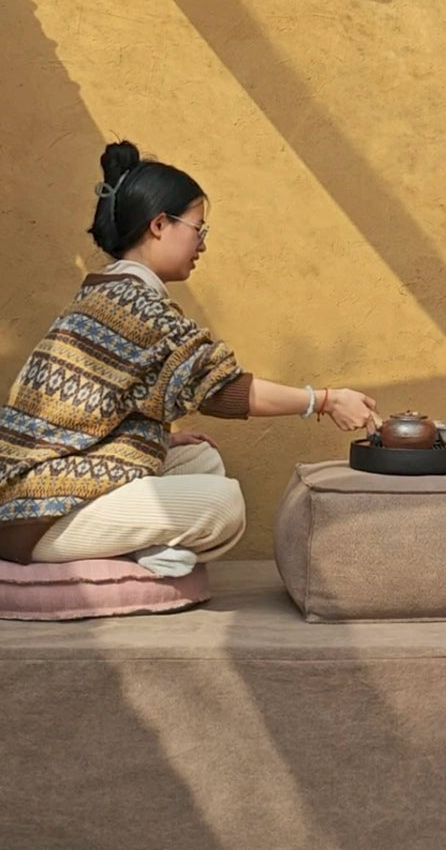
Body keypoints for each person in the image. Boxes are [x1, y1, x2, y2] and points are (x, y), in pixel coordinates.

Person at [0, 140, 377, 577]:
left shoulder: (110, 289)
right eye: (198, 228)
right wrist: (325, 400)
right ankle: (123, 555)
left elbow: (102, 406)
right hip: (31, 514)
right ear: (160, 225)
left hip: (39, 488)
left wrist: (154, 438)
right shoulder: (133, 306)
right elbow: (223, 392)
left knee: (202, 461)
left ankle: (138, 549)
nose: (202, 244)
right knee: (224, 505)